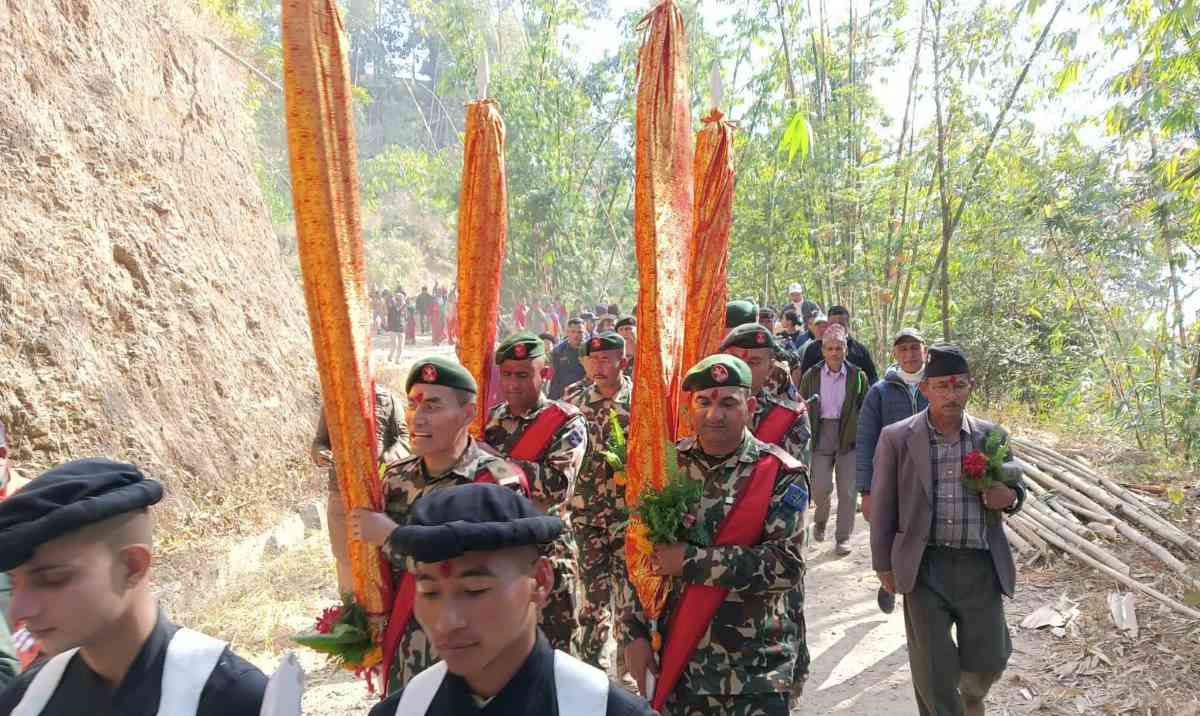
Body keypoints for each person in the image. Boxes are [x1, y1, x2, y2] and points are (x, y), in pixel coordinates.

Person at [0, 459, 267, 714]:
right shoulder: (25, 700)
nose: (18, 611)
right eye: (14, 582)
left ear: (132, 567)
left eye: (51, 579)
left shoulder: (232, 699)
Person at [620, 355, 808, 716]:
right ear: (691, 406)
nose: (714, 415)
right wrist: (634, 633)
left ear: (750, 407)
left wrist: (689, 561)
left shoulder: (780, 474)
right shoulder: (668, 467)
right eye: (704, 402)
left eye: (728, 403)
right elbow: (635, 553)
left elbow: (786, 566)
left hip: (755, 672)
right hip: (680, 663)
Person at [368, 484, 655, 716]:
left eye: (475, 589)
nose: (446, 622)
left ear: (540, 581)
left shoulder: (602, 708)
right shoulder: (402, 710)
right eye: (429, 592)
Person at [349, 357, 529, 692]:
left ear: (467, 413)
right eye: (413, 404)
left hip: (474, 656)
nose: (418, 416)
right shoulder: (397, 478)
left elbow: (487, 575)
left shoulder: (496, 485)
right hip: (407, 652)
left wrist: (392, 537)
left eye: (433, 405)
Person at [869, 344, 1026, 716]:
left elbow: (1016, 489)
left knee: (989, 660)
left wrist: (1009, 496)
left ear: (971, 386)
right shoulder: (897, 437)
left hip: (980, 566)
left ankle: (972, 695)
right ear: (925, 389)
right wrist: (883, 565)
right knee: (933, 670)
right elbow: (884, 503)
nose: (950, 395)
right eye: (941, 386)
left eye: (958, 386)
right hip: (924, 566)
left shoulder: (992, 437)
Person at [719, 324, 812, 704]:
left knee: (783, 612)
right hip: (717, 545)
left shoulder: (789, 416)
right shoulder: (704, 407)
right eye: (737, 360)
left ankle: (790, 681)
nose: (746, 368)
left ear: (771, 365)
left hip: (769, 542)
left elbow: (790, 490)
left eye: (755, 362)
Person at [484, 332, 588, 655]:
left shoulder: (566, 421)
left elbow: (556, 486)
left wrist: (495, 462)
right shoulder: (493, 419)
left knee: (555, 661)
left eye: (523, 375)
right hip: (500, 556)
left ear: (546, 374)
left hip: (548, 557)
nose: (513, 384)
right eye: (507, 375)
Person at [563, 333, 632, 672]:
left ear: (622, 360)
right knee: (592, 597)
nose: (599, 366)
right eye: (593, 360)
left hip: (629, 516)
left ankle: (630, 669)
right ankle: (593, 669)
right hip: (586, 514)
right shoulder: (573, 401)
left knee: (630, 598)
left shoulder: (643, 399)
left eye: (606, 359)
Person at [856, 327, 930, 615]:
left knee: (923, 532)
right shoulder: (880, 392)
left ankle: (919, 588)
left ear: (925, 351)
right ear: (894, 354)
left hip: (928, 477)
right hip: (892, 479)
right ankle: (887, 581)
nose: (910, 354)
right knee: (887, 533)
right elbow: (865, 439)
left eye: (915, 348)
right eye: (903, 349)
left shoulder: (936, 385)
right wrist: (867, 490)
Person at [312, 383, 411, 594]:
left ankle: (382, 613)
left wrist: (386, 459)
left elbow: (404, 438)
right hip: (340, 491)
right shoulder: (332, 400)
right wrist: (322, 456)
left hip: (378, 493)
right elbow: (319, 443)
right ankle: (350, 612)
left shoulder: (387, 399)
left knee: (379, 557)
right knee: (343, 556)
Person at [798, 324, 868, 556]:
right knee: (820, 487)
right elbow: (802, 404)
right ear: (823, 351)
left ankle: (843, 538)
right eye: (830, 348)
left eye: (839, 347)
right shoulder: (812, 375)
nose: (835, 352)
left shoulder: (858, 375)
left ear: (845, 350)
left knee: (848, 491)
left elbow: (864, 405)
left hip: (849, 435)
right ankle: (820, 521)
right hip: (820, 434)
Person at [800, 306, 879, 385]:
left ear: (847, 325)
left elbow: (872, 379)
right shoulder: (813, 349)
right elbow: (804, 381)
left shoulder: (859, 351)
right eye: (832, 324)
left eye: (841, 324)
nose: (837, 327)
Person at [547, 318, 587, 400]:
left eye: (580, 332)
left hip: (583, 395)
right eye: (573, 332)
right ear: (568, 333)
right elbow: (555, 377)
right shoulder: (558, 351)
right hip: (561, 395)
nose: (576, 335)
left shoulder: (590, 351)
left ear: (584, 333)